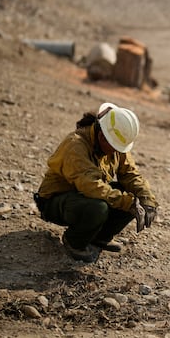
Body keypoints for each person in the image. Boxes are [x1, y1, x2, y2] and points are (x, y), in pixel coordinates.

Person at [34, 102, 158, 263]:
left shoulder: (113, 145)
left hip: (84, 196)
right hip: (56, 202)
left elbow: (130, 174)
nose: (117, 152)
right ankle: (74, 242)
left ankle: (100, 237)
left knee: (133, 196)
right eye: (115, 147)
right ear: (101, 137)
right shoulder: (75, 145)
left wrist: (147, 199)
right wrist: (128, 203)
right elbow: (91, 186)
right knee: (98, 207)